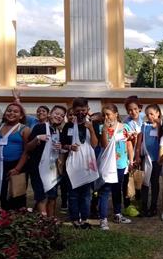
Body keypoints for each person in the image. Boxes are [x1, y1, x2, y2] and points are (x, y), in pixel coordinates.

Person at [60, 98, 99, 228]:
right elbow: (62, 144)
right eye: (78, 111)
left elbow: (94, 145)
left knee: (86, 194)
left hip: (87, 162)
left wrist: (92, 129)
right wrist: (70, 147)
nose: (81, 113)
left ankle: (85, 217)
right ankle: (75, 218)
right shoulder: (68, 125)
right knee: (73, 193)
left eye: (83, 110)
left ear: (87, 110)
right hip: (73, 162)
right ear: (74, 111)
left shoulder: (92, 124)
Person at [97, 104, 133, 230]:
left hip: (121, 163)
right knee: (105, 190)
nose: (106, 117)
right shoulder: (102, 128)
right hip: (107, 164)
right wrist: (105, 130)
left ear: (116, 114)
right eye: (104, 115)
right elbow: (104, 145)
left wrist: (131, 160)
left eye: (108, 114)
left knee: (118, 189)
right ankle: (103, 218)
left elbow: (129, 145)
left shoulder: (125, 127)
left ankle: (117, 213)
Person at [25, 105, 66, 216]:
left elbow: (61, 150)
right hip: (37, 167)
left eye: (62, 116)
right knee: (41, 196)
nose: (59, 117)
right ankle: (43, 221)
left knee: (52, 196)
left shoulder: (58, 131)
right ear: (50, 114)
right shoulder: (40, 127)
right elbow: (28, 147)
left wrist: (60, 147)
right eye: (57, 113)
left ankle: (51, 220)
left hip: (52, 169)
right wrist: (37, 138)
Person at [136, 103, 163, 217]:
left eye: (152, 114)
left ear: (158, 113)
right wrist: (137, 155)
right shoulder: (144, 125)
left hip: (156, 159)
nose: (150, 116)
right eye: (147, 114)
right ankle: (144, 206)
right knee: (144, 183)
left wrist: (158, 125)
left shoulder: (162, 126)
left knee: (154, 182)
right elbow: (139, 142)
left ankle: (154, 206)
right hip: (145, 159)